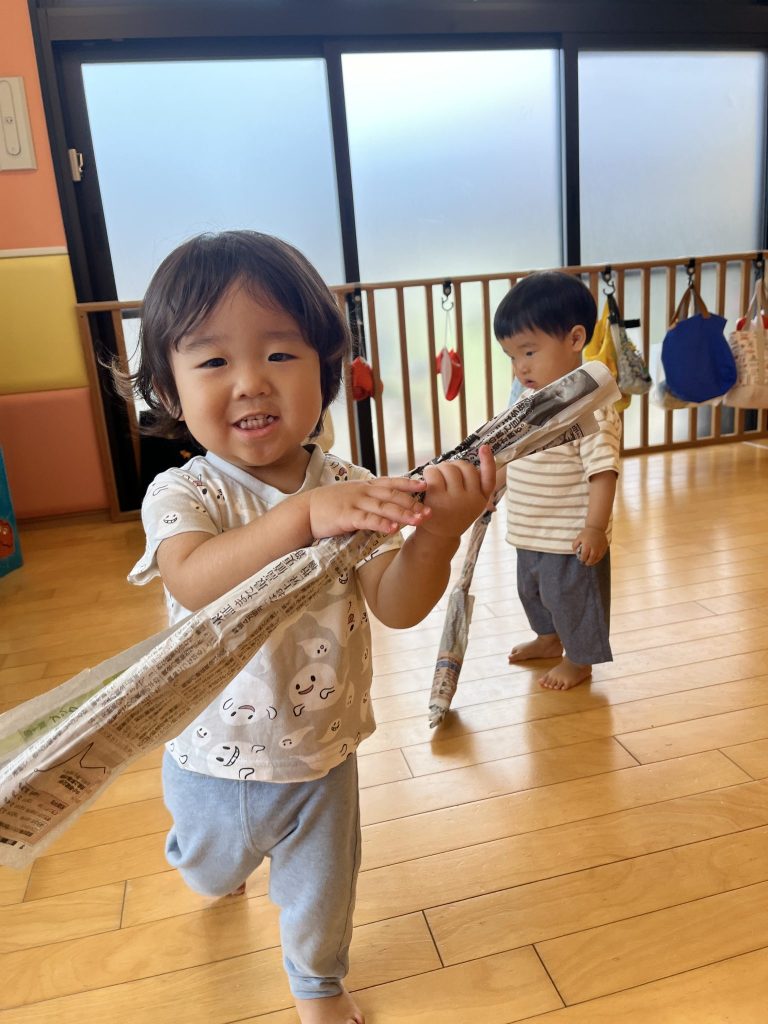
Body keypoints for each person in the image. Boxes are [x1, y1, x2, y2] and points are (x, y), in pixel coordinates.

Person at [124, 230, 495, 1024]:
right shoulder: (184, 495)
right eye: (214, 361)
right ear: (168, 387)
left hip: (321, 750)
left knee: (323, 888)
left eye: (281, 356)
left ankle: (317, 988)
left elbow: (395, 604)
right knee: (208, 869)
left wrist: (437, 534)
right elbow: (193, 581)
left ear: (326, 373)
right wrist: (300, 518)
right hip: (209, 755)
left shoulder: (348, 486)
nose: (252, 382)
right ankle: (208, 869)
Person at [493, 270, 621, 691]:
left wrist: (595, 527)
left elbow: (602, 471)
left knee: (573, 599)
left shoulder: (591, 407)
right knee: (533, 592)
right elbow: (514, 453)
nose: (520, 367)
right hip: (529, 528)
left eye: (528, 352)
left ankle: (579, 659)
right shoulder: (530, 401)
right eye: (512, 357)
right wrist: (495, 484)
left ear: (574, 339)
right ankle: (547, 639)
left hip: (569, 535)